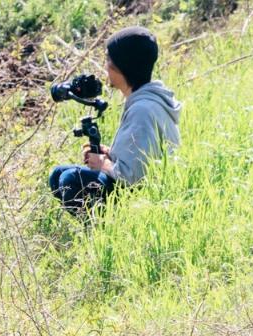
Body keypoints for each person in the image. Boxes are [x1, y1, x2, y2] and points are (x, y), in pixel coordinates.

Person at [47, 27, 181, 214]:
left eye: (109, 60)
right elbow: (143, 154)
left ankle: (100, 231)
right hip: (135, 184)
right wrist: (110, 153)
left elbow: (136, 177)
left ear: (122, 67)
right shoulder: (146, 99)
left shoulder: (142, 109)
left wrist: (104, 164)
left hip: (141, 195)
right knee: (57, 175)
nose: (106, 66)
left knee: (70, 180)